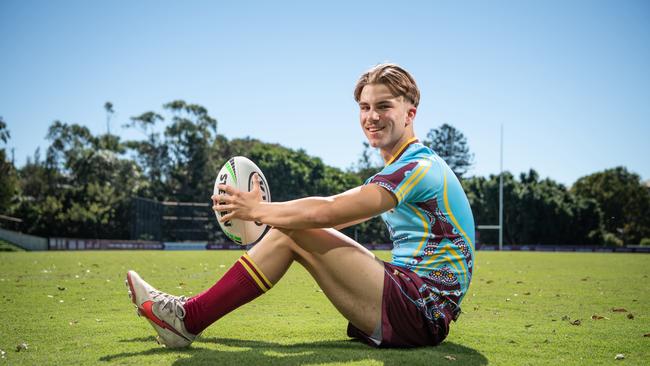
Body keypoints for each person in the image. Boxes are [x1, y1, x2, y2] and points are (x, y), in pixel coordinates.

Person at [126, 63, 475, 348]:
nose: (372, 116)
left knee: (294, 229)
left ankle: (187, 318)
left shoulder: (418, 167)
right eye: (365, 107)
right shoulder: (405, 166)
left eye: (384, 106)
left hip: (422, 309)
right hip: (412, 299)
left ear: (410, 114)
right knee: (292, 229)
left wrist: (257, 210)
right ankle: (188, 317)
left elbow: (332, 210)